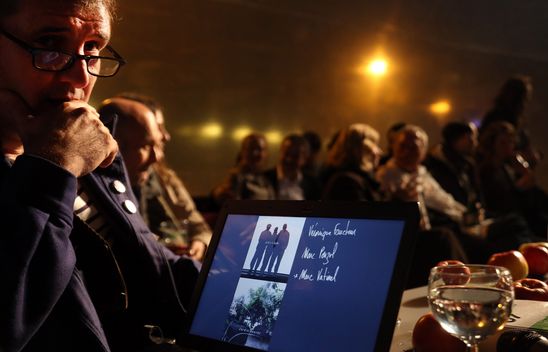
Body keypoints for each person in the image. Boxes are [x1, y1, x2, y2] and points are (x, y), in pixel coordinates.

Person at [0, 1, 199, 351]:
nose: (81, 77)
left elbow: (148, 261)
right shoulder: (66, 150)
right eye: (49, 43)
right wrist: (53, 166)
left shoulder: (90, 145)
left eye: (92, 48)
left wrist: (236, 282)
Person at [98, 95, 212, 261]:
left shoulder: (164, 176)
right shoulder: (105, 184)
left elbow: (197, 224)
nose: (165, 135)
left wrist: (199, 243)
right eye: (158, 127)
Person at [322, 123, 383, 201]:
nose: (380, 151)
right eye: (375, 144)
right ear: (363, 148)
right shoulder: (347, 183)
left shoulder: (358, 179)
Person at [212, 132, 275, 204]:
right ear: (243, 152)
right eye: (251, 149)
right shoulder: (236, 177)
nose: (255, 153)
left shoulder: (268, 178)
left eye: (260, 149)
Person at [263, 133, 321, 200]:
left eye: (295, 156)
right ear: (280, 152)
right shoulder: (264, 179)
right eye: (287, 153)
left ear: (304, 159)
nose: (289, 159)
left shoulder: (312, 184)